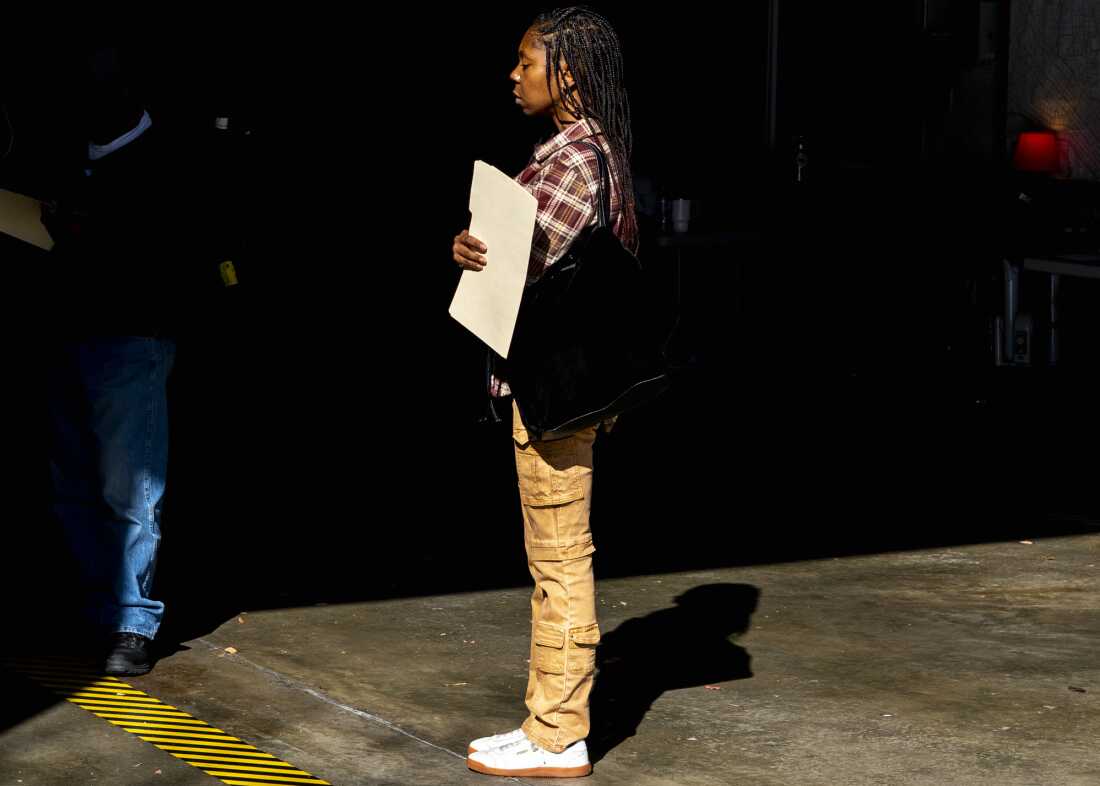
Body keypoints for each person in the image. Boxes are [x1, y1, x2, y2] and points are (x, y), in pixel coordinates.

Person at [452, 7, 638, 778]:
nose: (514, 74)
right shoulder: (581, 151)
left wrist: (480, 254)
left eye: (526, 62)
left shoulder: (573, 161)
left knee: (561, 560)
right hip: (562, 391)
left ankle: (558, 733)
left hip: (557, 395)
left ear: (565, 73)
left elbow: (531, 273)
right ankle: (545, 721)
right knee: (554, 558)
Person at [43, 45, 183, 676]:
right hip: (65, 329)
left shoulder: (167, 159)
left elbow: (181, 253)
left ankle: (133, 620)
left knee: (130, 487)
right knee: (72, 482)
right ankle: (94, 607)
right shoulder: (70, 156)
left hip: (130, 336)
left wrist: (88, 232)